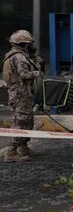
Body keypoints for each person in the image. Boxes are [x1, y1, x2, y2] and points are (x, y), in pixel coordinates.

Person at [1, 30, 42, 163]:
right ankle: (11, 152)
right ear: (23, 44)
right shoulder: (19, 57)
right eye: (29, 43)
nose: (31, 46)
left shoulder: (14, 55)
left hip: (20, 93)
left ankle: (23, 148)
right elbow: (24, 75)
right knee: (21, 122)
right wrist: (37, 73)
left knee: (27, 121)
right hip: (20, 94)